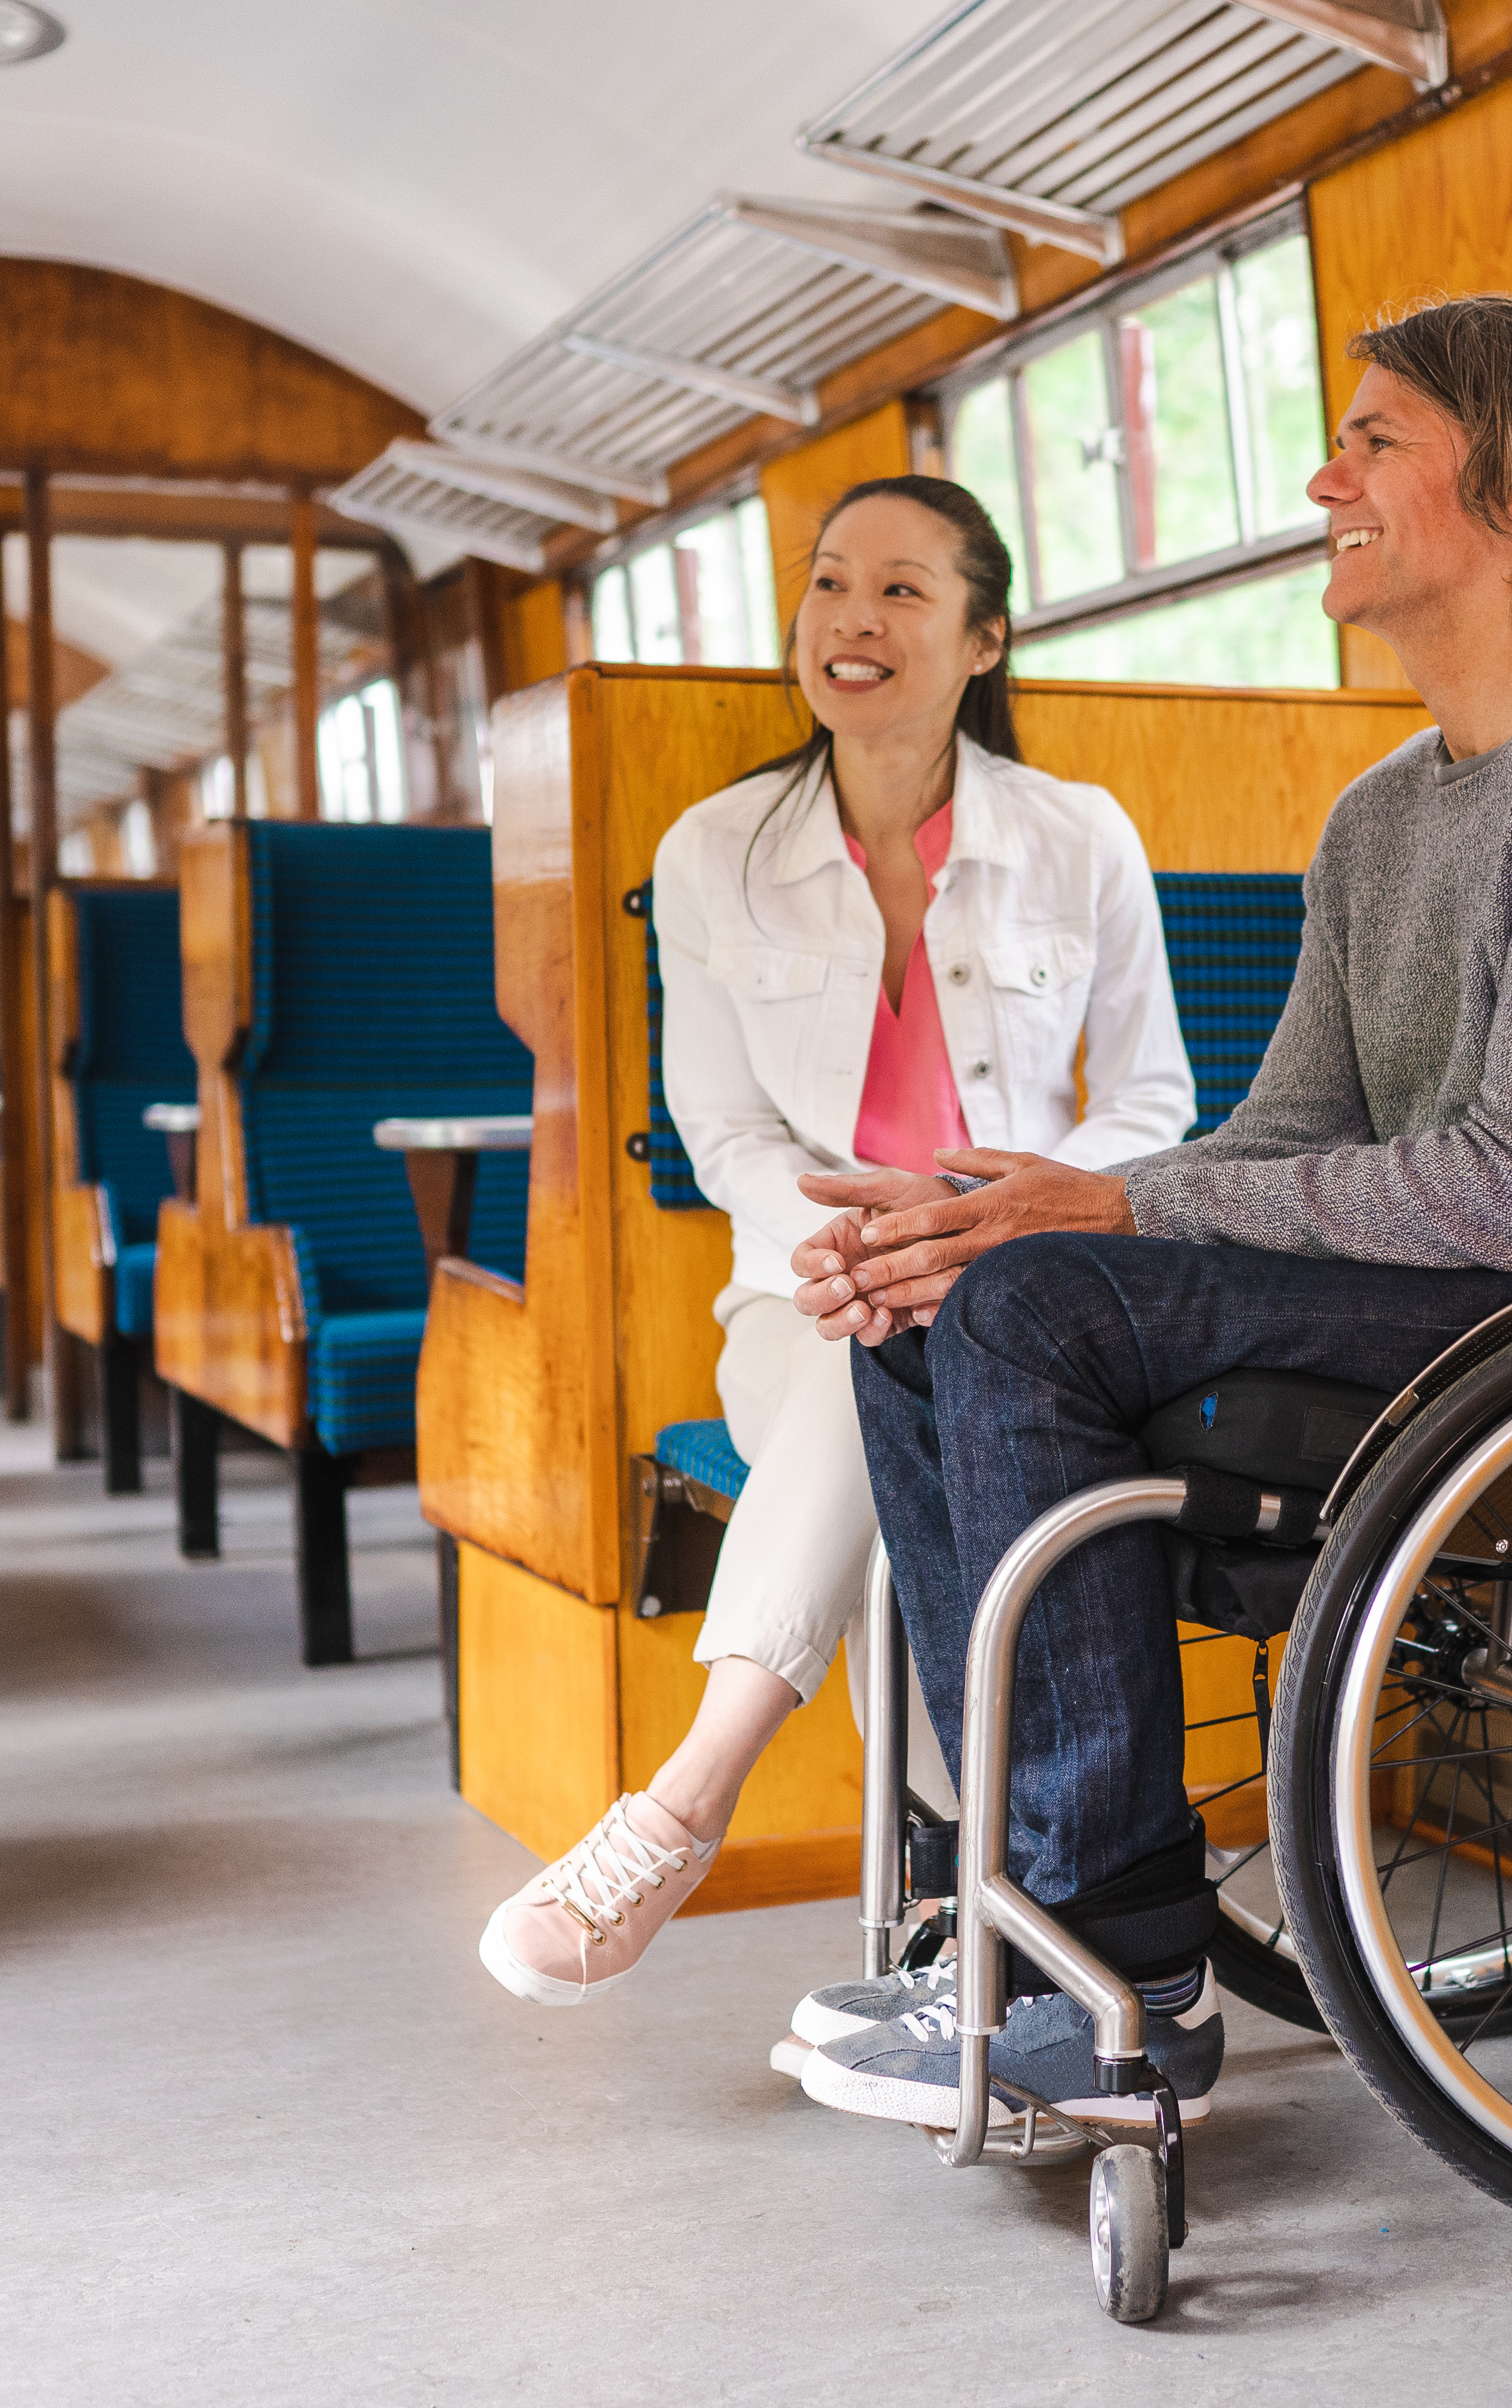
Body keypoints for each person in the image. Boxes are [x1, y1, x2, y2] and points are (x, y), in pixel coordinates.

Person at [779, 296, 1512, 2133]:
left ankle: (1114, 1963)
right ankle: (1029, 1909)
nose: (1322, 477)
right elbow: (1285, 1140)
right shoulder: (1376, 819)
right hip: (1472, 1303)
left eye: (1375, 440)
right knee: (937, 1301)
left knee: (1034, 1306)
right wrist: (998, 1212)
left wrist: (1109, 1210)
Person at [476, 476, 1195, 2008]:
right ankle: (970, 1899)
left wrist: (990, 1218)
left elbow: (1155, 1101)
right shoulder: (711, 850)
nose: (850, 620)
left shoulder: (1082, 835)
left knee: (922, 1389)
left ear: (984, 636)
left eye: (902, 591)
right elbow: (725, 1132)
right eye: (826, 586)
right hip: (803, 1289)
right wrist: (870, 1252)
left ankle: (692, 1799)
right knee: (865, 1367)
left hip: (1035, 1283)